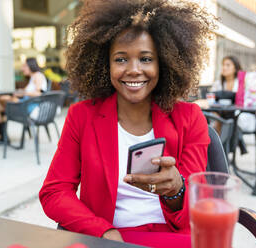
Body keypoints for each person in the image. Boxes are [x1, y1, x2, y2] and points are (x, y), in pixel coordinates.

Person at [39, 0, 214, 246]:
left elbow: (195, 207)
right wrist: (102, 231)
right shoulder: (82, 116)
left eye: (145, 59)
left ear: (163, 63)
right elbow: (54, 192)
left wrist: (177, 189)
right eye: (121, 59)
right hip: (110, 237)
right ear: (104, 64)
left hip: (174, 238)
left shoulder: (190, 117)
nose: (133, 70)